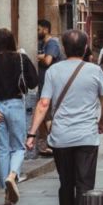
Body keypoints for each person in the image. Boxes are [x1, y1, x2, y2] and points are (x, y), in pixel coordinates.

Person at [26, 30, 103, 205]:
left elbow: (43, 103)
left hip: (61, 137)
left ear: (63, 48)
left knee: (66, 183)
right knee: (84, 184)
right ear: (85, 48)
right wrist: (101, 123)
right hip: (86, 137)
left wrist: (32, 132)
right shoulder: (94, 71)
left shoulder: (54, 71)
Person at [0, 28, 38, 205]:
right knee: (18, 147)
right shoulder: (20, 58)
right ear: (12, 41)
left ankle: (7, 193)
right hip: (15, 104)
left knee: (3, 149)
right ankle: (13, 175)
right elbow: (34, 81)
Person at [35, 19, 64, 156]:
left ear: (46, 29)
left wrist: (39, 56)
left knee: (48, 114)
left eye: (38, 29)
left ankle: (53, 142)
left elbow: (48, 60)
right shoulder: (42, 43)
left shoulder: (52, 43)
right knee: (46, 115)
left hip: (51, 85)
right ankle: (50, 142)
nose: (37, 32)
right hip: (43, 84)